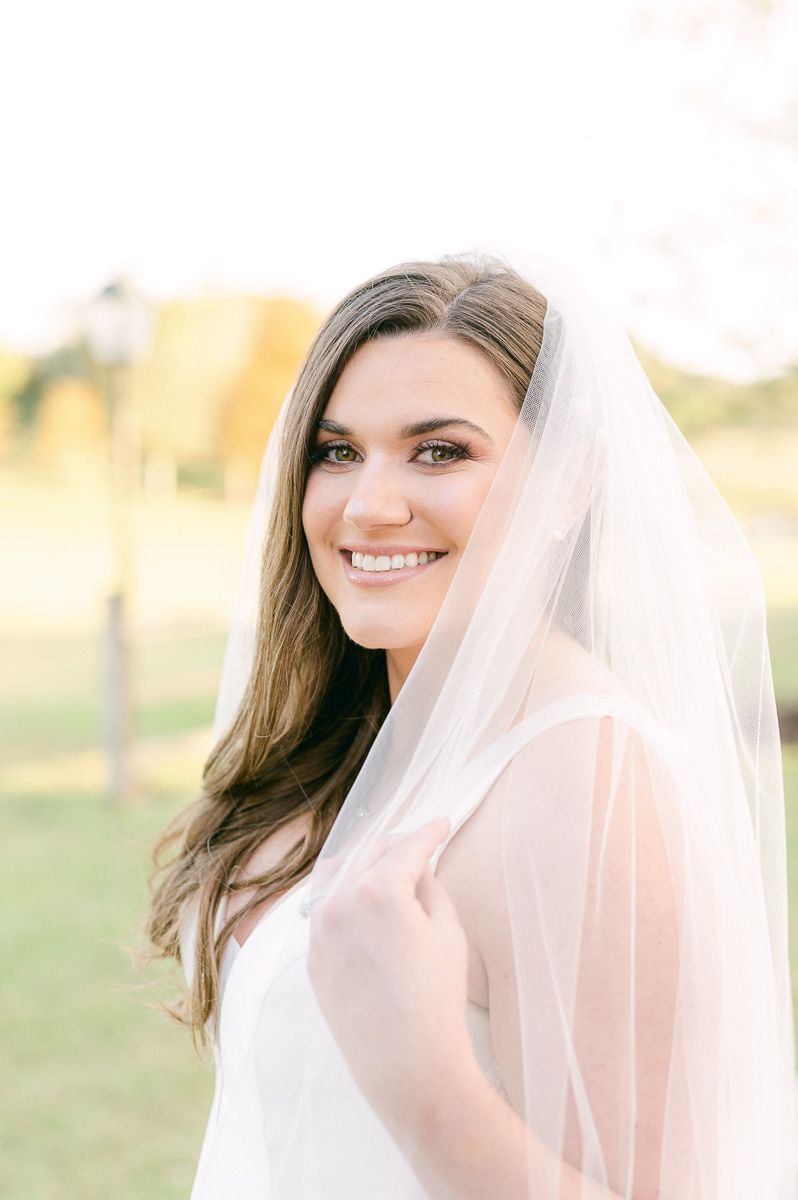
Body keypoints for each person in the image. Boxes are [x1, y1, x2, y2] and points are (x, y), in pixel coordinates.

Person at [147, 255, 796, 1198]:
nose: (369, 503)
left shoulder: (585, 786)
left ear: (571, 483)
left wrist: (427, 1085)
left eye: (440, 451)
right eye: (336, 451)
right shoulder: (368, 746)